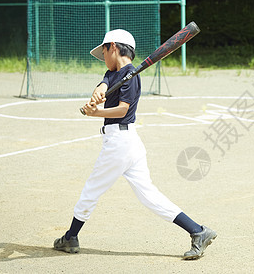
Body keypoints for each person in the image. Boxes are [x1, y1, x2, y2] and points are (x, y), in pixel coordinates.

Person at [53, 29, 216, 260]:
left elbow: (123, 109)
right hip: (128, 144)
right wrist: (97, 96)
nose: (103, 56)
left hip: (120, 143)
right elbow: (102, 85)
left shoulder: (132, 74)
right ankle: (198, 231)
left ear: (113, 46)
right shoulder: (113, 73)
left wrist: (96, 112)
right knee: (149, 196)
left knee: (91, 190)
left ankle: (71, 236)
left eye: (104, 51)